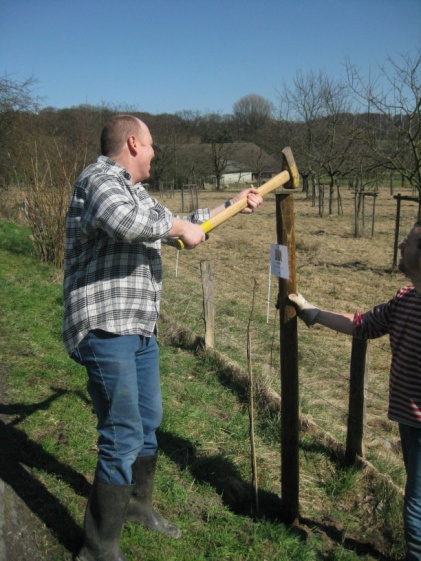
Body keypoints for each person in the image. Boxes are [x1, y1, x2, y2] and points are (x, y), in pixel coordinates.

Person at [62, 114, 263, 561]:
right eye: (151, 146)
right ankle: (97, 547)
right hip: (104, 325)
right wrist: (179, 228)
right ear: (133, 144)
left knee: (148, 422)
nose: (155, 153)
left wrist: (226, 207)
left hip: (138, 327)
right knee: (122, 431)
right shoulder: (99, 181)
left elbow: (180, 223)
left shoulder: (137, 192)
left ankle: (137, 507)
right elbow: (129, 223)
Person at [288, 221, 421, 561]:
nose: (400, 247)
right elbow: (362, 324)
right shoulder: (406, 298)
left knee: (417, 503)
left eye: (408, 242)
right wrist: (313, 312)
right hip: (410, 422)